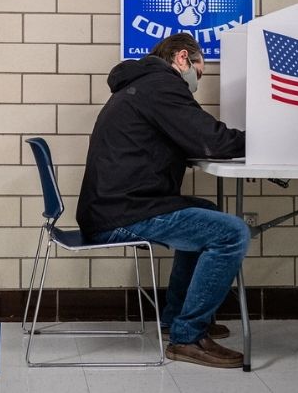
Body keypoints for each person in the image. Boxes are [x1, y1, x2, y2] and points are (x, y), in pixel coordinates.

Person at [77, 33, 248, 368]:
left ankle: (175, 318)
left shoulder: (143, 84)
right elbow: (211, 141)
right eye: (198, 73)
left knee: (207, 212)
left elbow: (195, 137)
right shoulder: (161, 85)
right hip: (123, 212)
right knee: (231, 233)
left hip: (114, 206)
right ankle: (188, 336)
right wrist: (265, 139)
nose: (196, 82)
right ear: (183, 58)